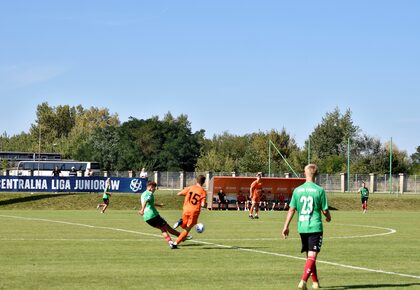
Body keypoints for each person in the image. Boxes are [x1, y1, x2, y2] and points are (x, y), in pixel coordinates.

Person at [282, 164, 331, 290]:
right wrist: (328, 217)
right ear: (316, 175)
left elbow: (291, 209)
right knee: (312, 256)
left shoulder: (297, 190)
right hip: (315, 226)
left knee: (310, 256)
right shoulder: (319, 190)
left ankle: (315, 283)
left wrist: (286, 226)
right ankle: (303, 281)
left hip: (302, 227)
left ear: (305, 174)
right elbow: (325, 210)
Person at [139, 181, 188, 249]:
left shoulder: (143, 194)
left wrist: (159, 205)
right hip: (153, 215)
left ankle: (172, 242)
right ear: (150, 187)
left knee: (163, 229)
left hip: (146, 218)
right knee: (168, 228)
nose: (155, 190)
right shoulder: (149, 193)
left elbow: (149, 203)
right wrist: (142, 209)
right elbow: (146, 201)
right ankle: (182, 237)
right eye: (154, 188)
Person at [172, 175, 207, 248]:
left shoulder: (191, 187)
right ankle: (175, 244)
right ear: (203, 182)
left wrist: (187, 195)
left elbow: (179, 193)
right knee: (187, 229)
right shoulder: (203, 191)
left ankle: (181, 222)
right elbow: (203, 204)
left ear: (196, 180)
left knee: (184, 226)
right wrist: (205, 204)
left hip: (186, 209)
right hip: (194, 211)